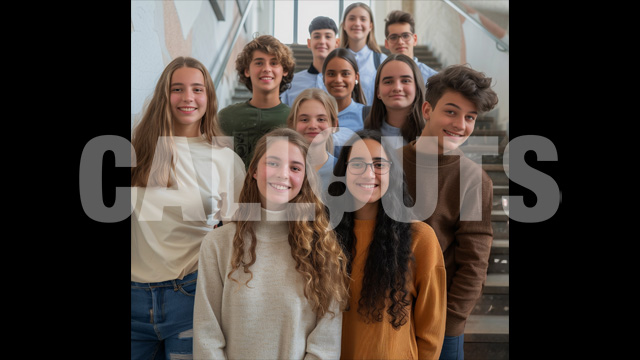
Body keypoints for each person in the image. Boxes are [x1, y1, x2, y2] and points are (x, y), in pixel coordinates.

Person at [193, 128, 350, 359]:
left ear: (305, 177)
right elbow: (207, 334)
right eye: (273, 163)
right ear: (255, 170)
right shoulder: (217, 244)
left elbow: (325, 345)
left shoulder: (323, 247)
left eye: (295, 168)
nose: (283, 174)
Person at [130, 56, 246, 360]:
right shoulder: (136, 150)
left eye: (198, 89)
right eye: (177, 89)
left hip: (190, 296)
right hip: (133, 298)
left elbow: (238, 235)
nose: (188, 98)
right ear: (163, 96)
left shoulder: (225, 160)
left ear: (208, 96)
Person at [399, 64, 499, 360]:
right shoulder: (386, 164)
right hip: (383, 312)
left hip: (441, 322)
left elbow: (474, 263)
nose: (460, 124)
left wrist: (450, 322)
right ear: (427, 110)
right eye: (451, 111)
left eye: (470, 117)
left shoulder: (474, 179)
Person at [326, 129, 446, 359]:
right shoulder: (325, 235)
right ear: (344, 172)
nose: (368, 173)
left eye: (379, 164)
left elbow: (431, 330)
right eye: (357, 164)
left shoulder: (420, 237)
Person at [218, 34, 295, 168]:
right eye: (259, 63)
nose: (266, 69)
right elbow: (216, 169)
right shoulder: (226, 117)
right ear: (247, 70)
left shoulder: (294, 119)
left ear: (285, 70)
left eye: (274, 63)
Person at [365, 53, 426, 149]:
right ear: (378, 92)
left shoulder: (432, 136)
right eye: (388, 82)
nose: (397, 88)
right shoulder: (365, 138)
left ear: (417, 88)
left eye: (405, 81)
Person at [286, 88, 339, 197]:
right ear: (292, 124)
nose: (313, 126)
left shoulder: (344, 171)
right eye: (304, 119)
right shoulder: (281, 170)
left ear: (334, 125)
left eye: (321, 119)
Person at [280, 16, 340, 107]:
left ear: (337, 43)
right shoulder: (291, 83)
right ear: (309, 43)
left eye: (328, 36)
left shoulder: (342, 82)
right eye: (317, 36)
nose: (322, 41)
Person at [339, 2, 387, 105]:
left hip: (372, 120)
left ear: (370, 26)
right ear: (344, 25)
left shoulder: (382, 61)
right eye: (352, 18)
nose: (357, 23)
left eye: (363, 19)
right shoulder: (334, 61)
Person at [322, 48, 366, 156]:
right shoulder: (313, 116)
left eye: (345, 74)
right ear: (323, 78)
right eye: (331, 74)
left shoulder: (367, 116)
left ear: (356, 77)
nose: (338, 80)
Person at [384, 10, 438, 86]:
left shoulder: (432, 79)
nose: (400, 42)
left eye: (405, 36)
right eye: (393, 37)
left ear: (415, 39)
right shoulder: (378, 77)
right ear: (386, 43)